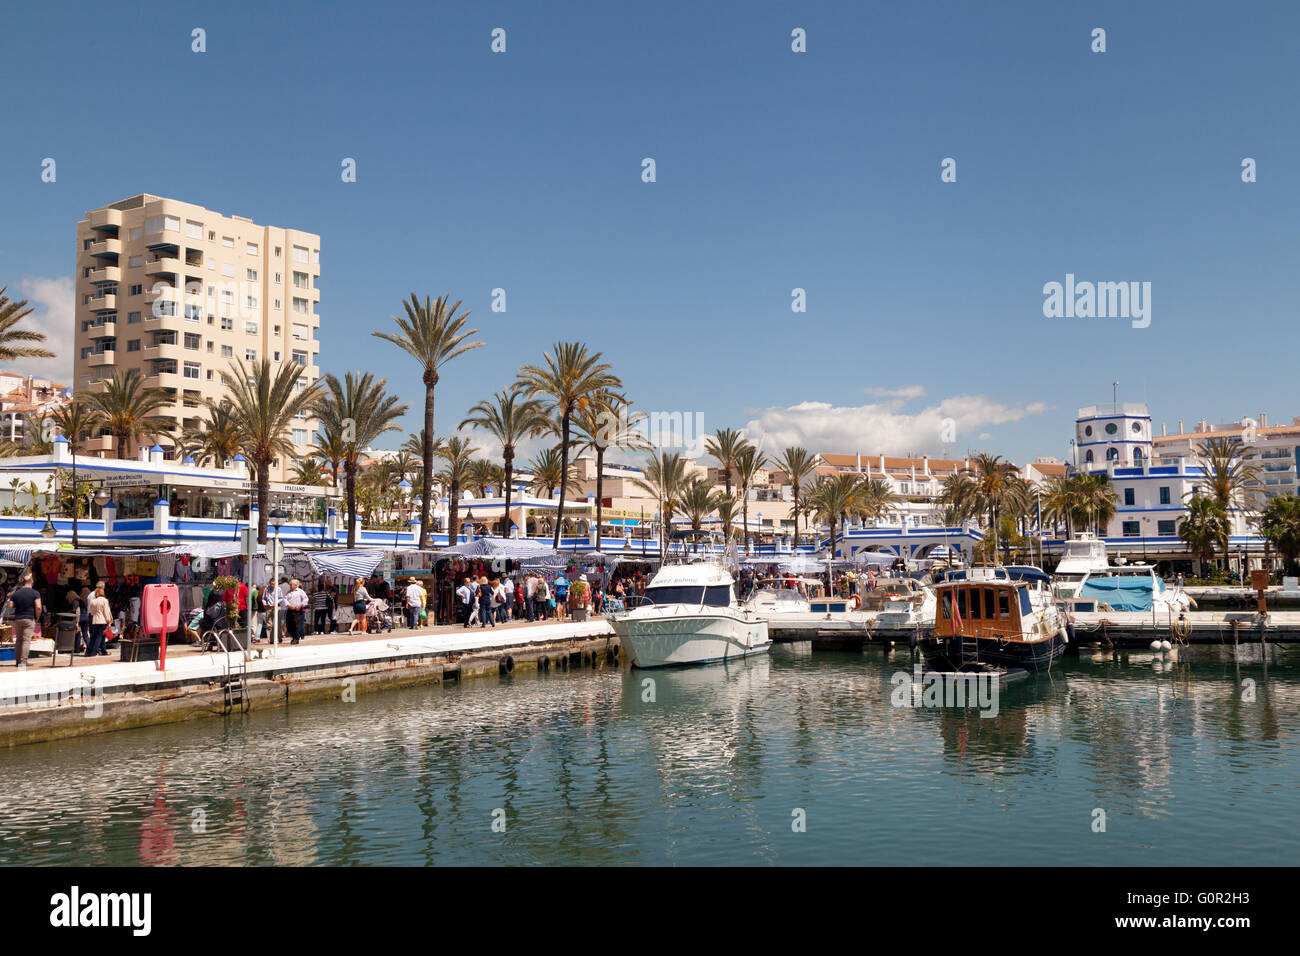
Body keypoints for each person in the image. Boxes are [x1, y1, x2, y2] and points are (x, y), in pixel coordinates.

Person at [5, 573, 42, 669]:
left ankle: (18, 661)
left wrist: (10, 597)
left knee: (19, 640)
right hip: (29, 618)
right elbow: (38, 607)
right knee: (26, 640)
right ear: (32, 581)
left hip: (18, 618)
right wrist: (37, 618)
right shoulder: (35, 593)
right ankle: (23, 662)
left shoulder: (16, 593)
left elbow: (10, 606)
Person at [87, 580, 113, 658]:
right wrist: (109, 621)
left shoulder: (93, 601)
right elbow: (107, 612)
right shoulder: (105, 601)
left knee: (94, 636)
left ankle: (89, 651)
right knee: (99, 637)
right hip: (102, 621)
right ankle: (94, 652)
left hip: (94, 620)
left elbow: (91, 612)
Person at [285, 579, 308, 644]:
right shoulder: (288, 592)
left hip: (298, 610)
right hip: (290, 610)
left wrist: (300, 605)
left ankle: (296, 638)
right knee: (289, 625)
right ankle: (293, 636)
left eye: (291, 585)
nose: (290, 586)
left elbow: (306, 599)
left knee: (297, 625)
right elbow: (285, 599)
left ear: (295, 585)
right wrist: (288, 605)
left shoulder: (300, 591)